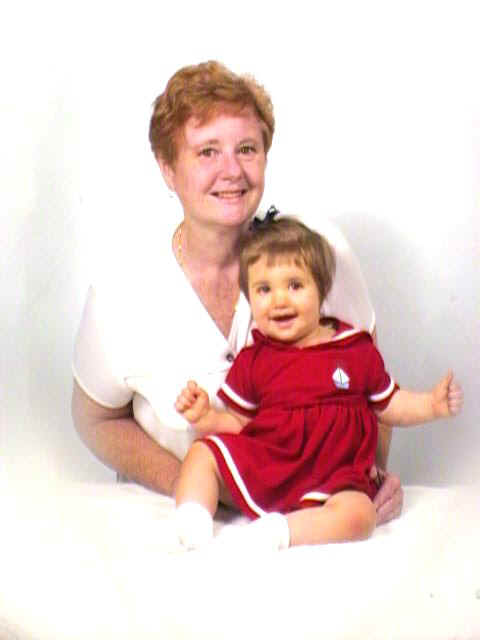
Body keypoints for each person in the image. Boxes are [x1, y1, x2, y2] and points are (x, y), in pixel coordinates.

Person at [72, 60, 402, 524]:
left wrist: (369, 477)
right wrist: (189, 483)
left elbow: (374, 391)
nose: (232, 171)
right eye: (207, 152)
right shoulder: (120, 291)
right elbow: (96, 421)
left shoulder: (321, 252)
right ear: (168, 169)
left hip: (311, 530)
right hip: (177, 526)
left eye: (246, 148)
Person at [174, 216, 463, 550]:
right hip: (272, 465)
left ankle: (279, 532)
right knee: (202, 453)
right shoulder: (255, 358)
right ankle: (192, 523)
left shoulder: (354, 349)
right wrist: (207, 417)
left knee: (360, 515)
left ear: (321, 289)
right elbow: (239, 424)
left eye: (295, 286)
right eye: (264, 290)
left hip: (335, 476)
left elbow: (389, 404)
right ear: (249, 299)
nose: (280, 300)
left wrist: (431, 404)